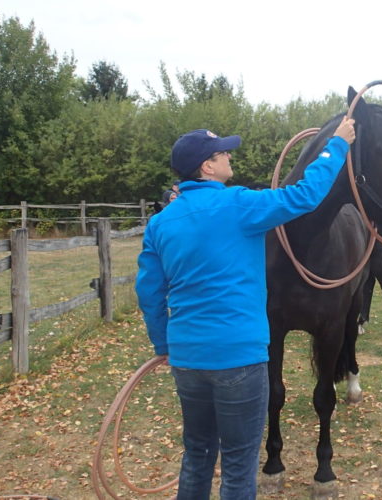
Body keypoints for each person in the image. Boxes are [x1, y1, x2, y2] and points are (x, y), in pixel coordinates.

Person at [135, 117, 356, 499]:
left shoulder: (160, 223)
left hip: (188, 360)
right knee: (238, 465)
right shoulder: (239, 204)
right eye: (223, 153)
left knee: (197, 455)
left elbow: (150, 294)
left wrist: (164, 345)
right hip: (239, 358)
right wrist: (336, 145)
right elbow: (304, 195)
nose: (229, 156)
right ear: (207, 167)